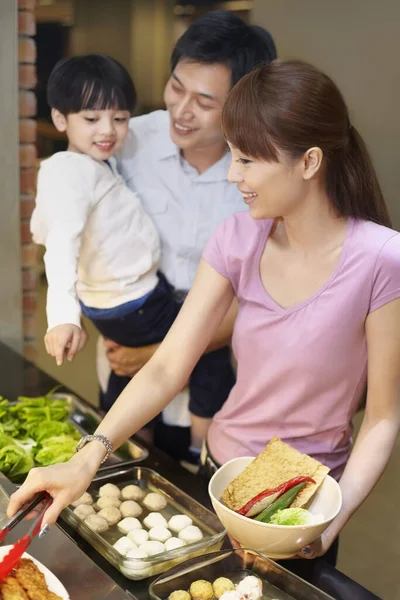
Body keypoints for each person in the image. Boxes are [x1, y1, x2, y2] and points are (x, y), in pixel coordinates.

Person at [13, 59, 399, 577]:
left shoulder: (381, 259)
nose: (234, 175)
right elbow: (167, 366)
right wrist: (87, 458)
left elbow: (382, 418)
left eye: (246, 160)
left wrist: (328, 522)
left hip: (308, 499)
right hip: (220, 474)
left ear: (308, 162)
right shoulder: (237, 238)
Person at [30, 52, 245, 466]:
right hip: (133, 301)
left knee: (129, 373)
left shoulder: (95, 160)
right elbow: (59, 243)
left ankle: (124, 452)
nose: (108, 131)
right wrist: (62, 317)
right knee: (207, 355)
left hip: (135, 296)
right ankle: (199, 459)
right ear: (60, 120)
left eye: (120, 118)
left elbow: (48, 222)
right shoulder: (70, 172)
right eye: (91, 120)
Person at [95, 10, 277, 464]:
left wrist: (157, 354)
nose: (181, 110)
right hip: (125, 365)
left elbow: (265, 295)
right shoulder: (128, 142)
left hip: (219, 381)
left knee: (199, 497)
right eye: (176, 87)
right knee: (119, 483)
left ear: (241, 104)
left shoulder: (267, 173)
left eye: (204, 100)